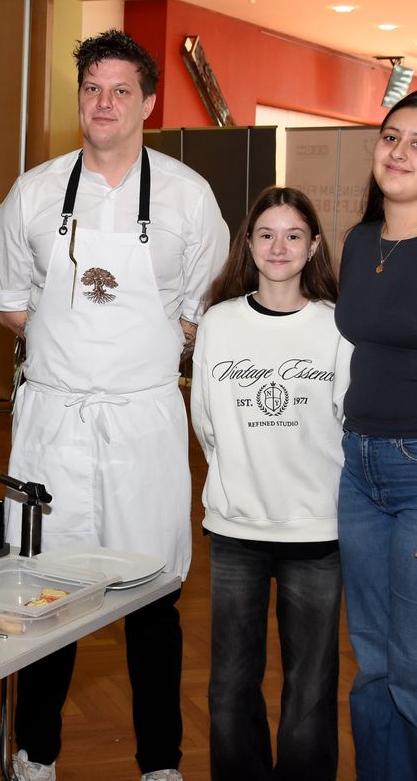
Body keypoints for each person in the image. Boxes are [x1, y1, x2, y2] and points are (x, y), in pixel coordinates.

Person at [0, 29, 229, 781]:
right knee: (48, 595)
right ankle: (36, 753)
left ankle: (160, 762)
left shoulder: (189, 199)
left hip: (142, 426)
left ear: (149, 102)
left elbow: (199, 311)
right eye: (93, 88)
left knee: (152, 593)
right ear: (80, 96)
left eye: (122, 90)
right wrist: (77, 357)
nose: (105, 103)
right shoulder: (33, 192)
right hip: (54, 424)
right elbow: (11, 306)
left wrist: (125, 361)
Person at [191, 187, 349, 781]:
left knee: (311, 685)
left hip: (317, 528)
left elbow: (345, 419)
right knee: (232, 682)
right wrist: (239, 479)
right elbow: (206, 423)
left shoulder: (337, 327)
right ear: (248, 244)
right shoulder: (219, 323)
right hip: (237, 529)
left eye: (293, 235)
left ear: (312, 247)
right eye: (266, 234)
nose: (278, 246)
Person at [335, 90, 417, 779]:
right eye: (392, 136)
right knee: (373, 662)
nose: (400, 152)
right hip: (358, 469)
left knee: (415, 665)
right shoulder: (360, 242)